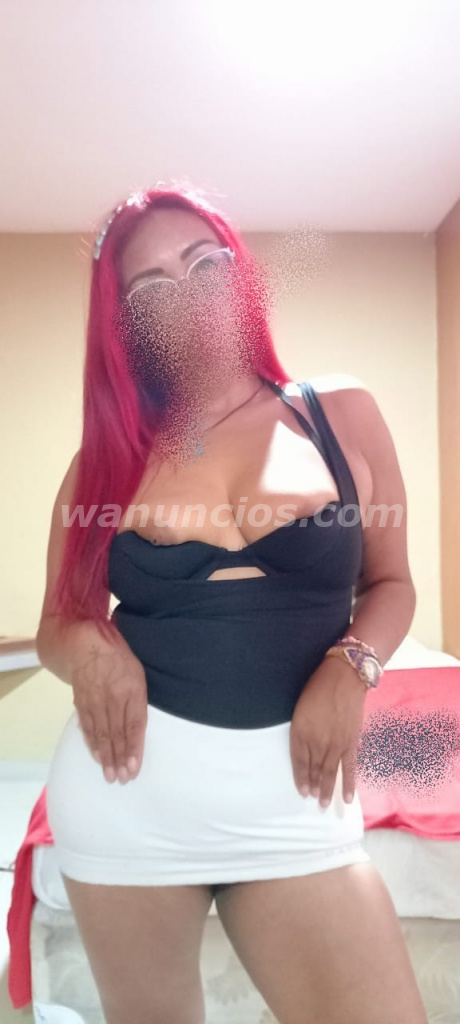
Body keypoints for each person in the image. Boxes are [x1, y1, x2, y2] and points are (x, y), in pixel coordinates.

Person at [36, 182, 428, 1024]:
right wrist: (91, 652)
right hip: (128, 798)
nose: (188, 294)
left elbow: (393, 584)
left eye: (204, 262)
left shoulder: (340, 413)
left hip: (298, 802)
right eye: (151, 287)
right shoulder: (103, 461)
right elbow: (58, 624)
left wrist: (351, 665)